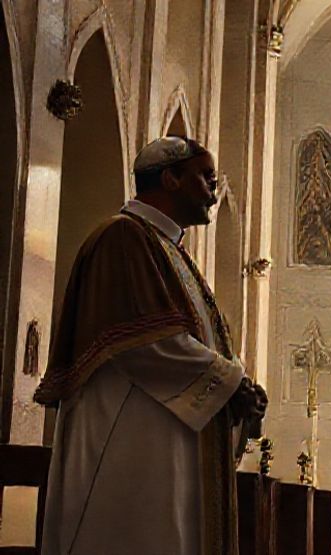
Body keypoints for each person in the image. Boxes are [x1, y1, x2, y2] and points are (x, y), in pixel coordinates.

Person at [35, 136, 268, 555]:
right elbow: (145, 342)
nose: (213, 194)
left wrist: (240, 384)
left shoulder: (168, 249)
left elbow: (199, 338)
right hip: (129, 438)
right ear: (171, 178)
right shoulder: (123, 237)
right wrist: (232, 381)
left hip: (166, 439)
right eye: (206, 178)